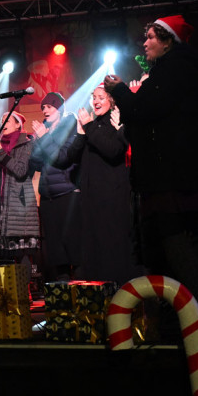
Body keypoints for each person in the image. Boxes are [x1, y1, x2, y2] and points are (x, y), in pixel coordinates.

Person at [104, 14, 198, 326]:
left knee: (175, 244)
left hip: (171, 178)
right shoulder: (173, 71)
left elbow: (143, 110)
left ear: (168, 42)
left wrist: (121, 91)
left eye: (152, 37)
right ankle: (180, 319)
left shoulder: (175, 70)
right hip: (171, 175)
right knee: (166, 247)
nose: (145, 42)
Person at [66, 86, 144, 286]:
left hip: (112, 196)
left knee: (112, 244)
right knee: (94, 246)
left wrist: (89, 127)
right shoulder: (92, 125)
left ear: (111, 100)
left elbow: (113, 150)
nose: (96, 101)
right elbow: (68, 159)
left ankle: (120, 290)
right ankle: (99, 293)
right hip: (91, 198)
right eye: (93, 98)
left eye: (101, 97)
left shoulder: (115, 122)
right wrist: (80, 134)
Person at [29, 92, 81, 282]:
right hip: (48, 196)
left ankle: (82, 290)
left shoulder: (70, 125)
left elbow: (62, 158)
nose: (45, 111)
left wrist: (43, 138)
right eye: (43, 108)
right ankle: (62, 293)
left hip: (67, 193)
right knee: (55, 250)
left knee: (73, 247)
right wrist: (37, 142)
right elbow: (34, 164)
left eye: (49, 107)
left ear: (59, 108)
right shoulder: (45, 130)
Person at [0, 111, 41, 289]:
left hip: (20, 205)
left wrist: (1, 154)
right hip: (2, 206)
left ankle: (26, 292)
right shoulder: (0, 146)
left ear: (18, 124)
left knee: (22, 251)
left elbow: (20, 170)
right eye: (1, 121)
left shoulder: (25, 143)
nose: (3, 123)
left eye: (7, 120)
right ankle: (10, 294)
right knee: (6, 255)